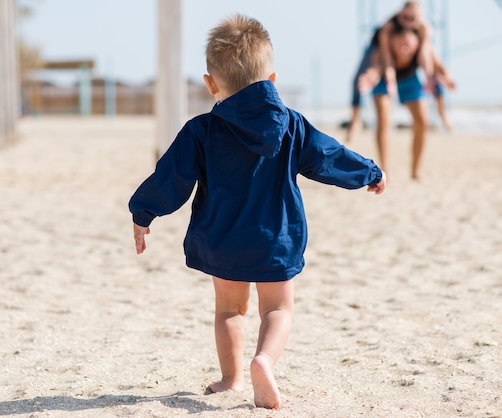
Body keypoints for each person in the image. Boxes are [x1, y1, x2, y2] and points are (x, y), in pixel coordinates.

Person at [128, 14, 386, 410]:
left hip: (223, 239)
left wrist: (143, 213)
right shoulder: (292, 126)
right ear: (272, 80)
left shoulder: (202, 130)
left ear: (211, 83)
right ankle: (263, 360)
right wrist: (368, 172)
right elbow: (328, 156)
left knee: (230, 309)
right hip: (276, 240)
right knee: (278, 308)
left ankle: (230, 378)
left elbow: (172, 176)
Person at [346, 0, 436, 143]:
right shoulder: (389, 26)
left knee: (435, 66)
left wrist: (429, 76)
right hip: (378, 48)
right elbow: (386, 57)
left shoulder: (424, 28)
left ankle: (443, 114)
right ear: (400, 14)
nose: (408, 22)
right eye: (405, 17)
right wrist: (390, 81)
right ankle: (354, 120)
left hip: (402, 52)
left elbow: (425, 53)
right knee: (358, 80)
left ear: (419, 18)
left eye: (412, 19)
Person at [358, 27, 433, 179]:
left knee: (422, 121)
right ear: (391, 43)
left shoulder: (422, 49)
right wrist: (369, 77)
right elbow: (375, 67)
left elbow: (438, 66)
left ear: (416, 44)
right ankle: (385, 169)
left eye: (408, 45)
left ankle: (415, 171)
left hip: (409, 79)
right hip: (384, 79)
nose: (404, 48)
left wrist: (446, 78)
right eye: (400, 44)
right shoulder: (381, 51)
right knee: (384, 118)